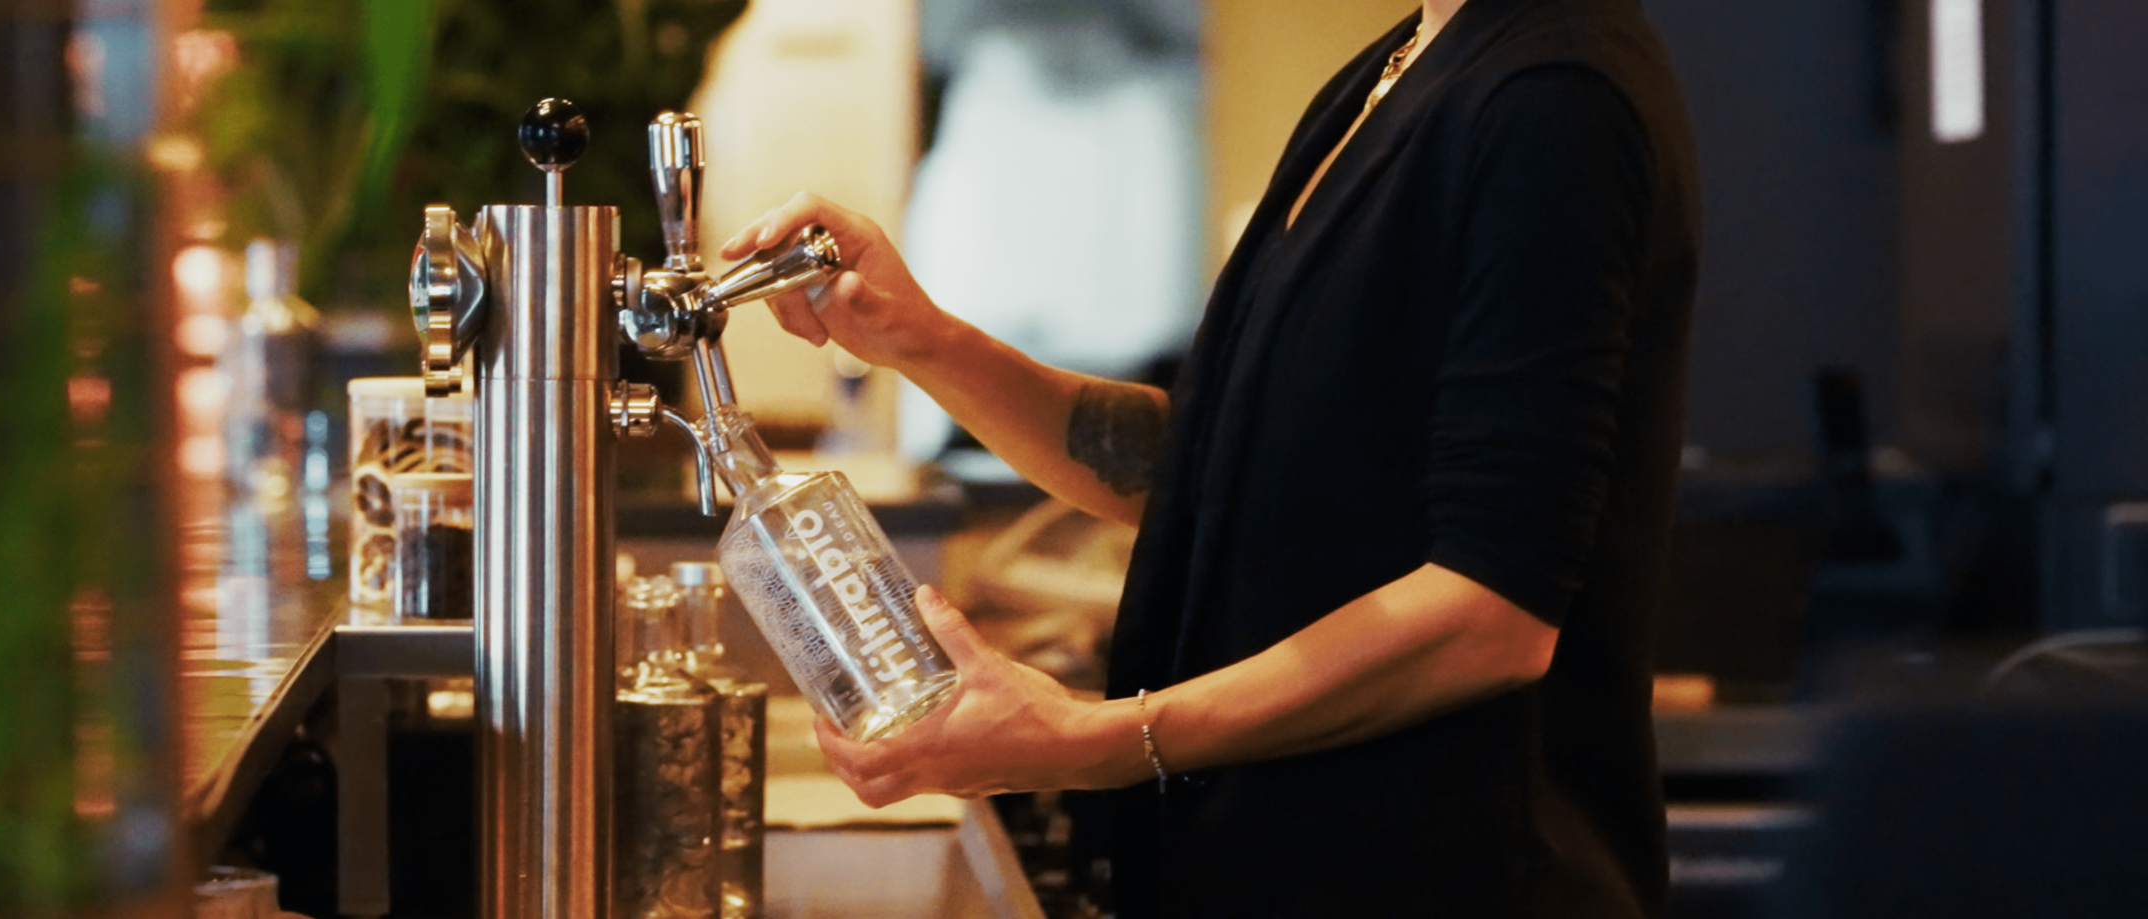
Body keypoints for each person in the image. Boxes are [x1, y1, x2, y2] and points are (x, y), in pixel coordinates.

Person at [717, 0, 1698, 914]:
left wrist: (1092, 738)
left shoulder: (1555, 96)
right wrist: (922, 340)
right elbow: (1208, 472)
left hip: (1438, 873)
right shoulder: (1394, 72)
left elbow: (1491, 612)